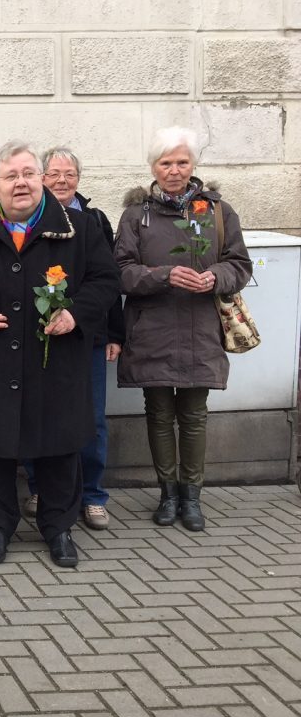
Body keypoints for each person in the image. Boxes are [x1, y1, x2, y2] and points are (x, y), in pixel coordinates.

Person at [0, 141, 119, 567]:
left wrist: (75, 314)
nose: (22, 183)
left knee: (57, 446)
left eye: (29, 174)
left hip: (56, 361)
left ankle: (58, 528)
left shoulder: (79, 227)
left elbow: (106, 281)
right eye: (12, 176)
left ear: (42, 179)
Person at [114, 126, 252, 532]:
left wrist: (214, 277)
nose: (173, 171)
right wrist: (164, 275)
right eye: (165, 163)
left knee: (193, 415)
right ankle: (167, 494)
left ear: (194, 165)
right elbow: (120, 272)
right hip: (152, 329)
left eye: (181, 162)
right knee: (158, 413)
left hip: (200, 328)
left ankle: (192, 498)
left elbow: (239, 264)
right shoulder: (135, 215)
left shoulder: (218, 212)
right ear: (153, 168)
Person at [24, 147, 126, 531]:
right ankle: (40, 489)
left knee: (92, 418)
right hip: (42, 336)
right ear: (42, 178)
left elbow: (108, 279)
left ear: (78, 179)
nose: (62, 180)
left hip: (89, 336)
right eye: (54, 174)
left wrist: (115, 332)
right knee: (39, 414)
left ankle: (93, 495)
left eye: (69, 174)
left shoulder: (95, 220)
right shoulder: (28, 221)